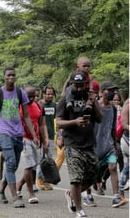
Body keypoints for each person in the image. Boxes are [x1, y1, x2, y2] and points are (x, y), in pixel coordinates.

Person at [0, 67, 38, 208]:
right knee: (11, 161)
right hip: (4, 132)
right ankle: (15, 197)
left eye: (13, 75)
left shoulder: (21, 93)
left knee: (12, 166)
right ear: (4, 77)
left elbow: (26, 116)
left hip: (18, 133)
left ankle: (1, 190)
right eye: (8, 75)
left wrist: (34, 135)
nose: (11, 77)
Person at [56, 71, 102, 218]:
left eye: (81, 85)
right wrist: (74, 122)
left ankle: (71, 194)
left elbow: (100, 119)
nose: (79, 89)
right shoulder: (64, 100)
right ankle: (80, 210)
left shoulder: (89, 98)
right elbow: (60, 123)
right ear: (71, 84)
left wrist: (94, 104)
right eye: (76, 85)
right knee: (76, 178)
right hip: (72, 144)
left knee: (94, 175)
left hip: (88, 143)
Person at [84, 81, 127, 208]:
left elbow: (113, 129)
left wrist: (114, 144)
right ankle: (87, 195)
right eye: (109, 90)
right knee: (91, 172)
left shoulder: (113, 109)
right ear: (101, 92)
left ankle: (115, 197)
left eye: (114, 91)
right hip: (94, 145)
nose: (113, 93)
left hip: (108, 145)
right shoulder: (94, 106)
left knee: (113, 168)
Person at [16, 85, 49, 204]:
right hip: (24, 138)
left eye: (33, 96)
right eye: (28, 96)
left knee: (34, 166)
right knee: (29, 166)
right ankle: (31, 193)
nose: (30, 98)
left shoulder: (39, 106)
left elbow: (42, 124)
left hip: (36, 140)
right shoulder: (19, 106)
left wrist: (45, 138)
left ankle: (18, 185)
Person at [36, 86, 57, 190]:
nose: (50, 96)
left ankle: (45, 180)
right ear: (43, 94)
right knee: (41, 158)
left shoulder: (54, 105)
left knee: (48, 158)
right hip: (41, 136)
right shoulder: (39, 104)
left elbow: (56, 119)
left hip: (51, 135)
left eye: (51, 94)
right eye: (48, 94)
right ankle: (39, 179)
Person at [118, 98, 129, 204]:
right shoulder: (128, 105)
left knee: (126, 167)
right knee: (126, 166)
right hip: (127, 139)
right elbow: (124, 124)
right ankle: (120, 192)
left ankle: (120, 192)